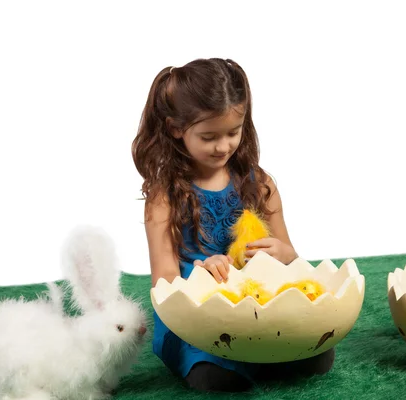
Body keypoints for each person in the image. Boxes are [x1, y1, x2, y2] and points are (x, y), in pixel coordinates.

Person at [131, 58, 335, 392]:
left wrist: (284, 253)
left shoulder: (260, 184)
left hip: (256, 306)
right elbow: (163, 280)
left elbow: (292, 260)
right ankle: (249, 361)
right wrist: (199, 270)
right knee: (216, 378)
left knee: (320, 359)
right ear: (175, 129)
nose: (223, 146)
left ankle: (260, 355)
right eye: (209, 136)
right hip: (197, 315)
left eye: (233, 132)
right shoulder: (164, 195)